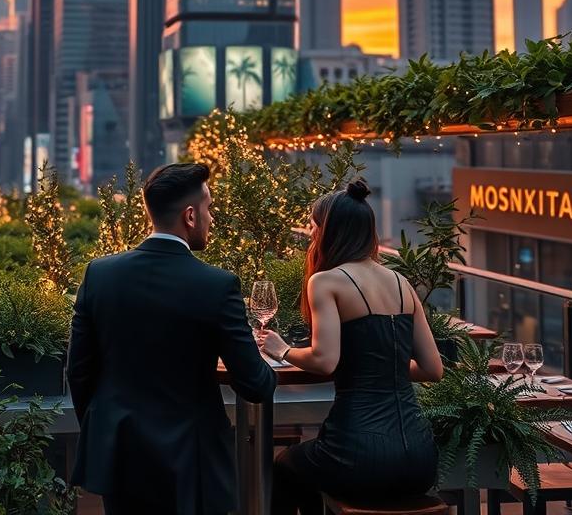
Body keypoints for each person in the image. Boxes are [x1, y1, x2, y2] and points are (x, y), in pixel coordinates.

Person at [68, 162, 276, 515]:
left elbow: (79, 371)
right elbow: (254, 384)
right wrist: (273, 361)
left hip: (121, 451)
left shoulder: (99, 275)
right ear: (191, 216)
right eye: (209, 208)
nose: (212, 218)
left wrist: (108, 428)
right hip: (192, 460)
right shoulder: (217, 285)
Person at [263, 181, 444, 515]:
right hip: (420, 458)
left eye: (314, 227)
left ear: (331, 232)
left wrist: (282, 350)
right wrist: (380, 365)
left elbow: (324, 360)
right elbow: (434, 369)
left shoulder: (326, 281)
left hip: (358, 453)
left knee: (286, 464)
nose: (311, 234)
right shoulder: (401, 282)